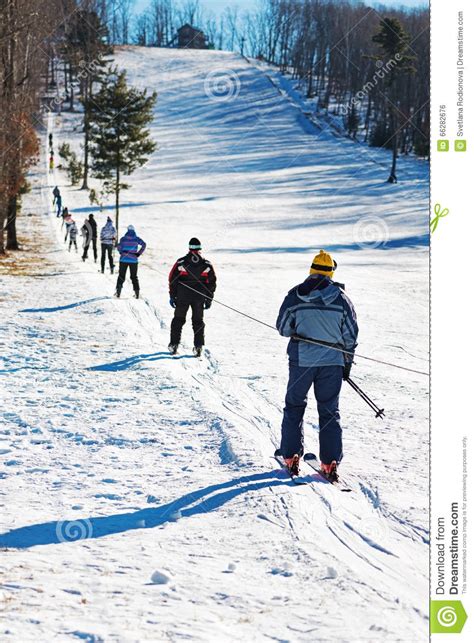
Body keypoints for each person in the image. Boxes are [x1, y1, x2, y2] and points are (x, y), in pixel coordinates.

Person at [276, 250, 358, 481]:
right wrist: (346, 363)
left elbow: (283, 328)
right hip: (332, 364)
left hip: (302, 361)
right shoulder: (342, 299)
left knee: (294, 405)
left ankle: (291, 456)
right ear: (331, 272)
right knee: (329, 410)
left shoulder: (294, 295)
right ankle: (330, 462)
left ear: (312, 269)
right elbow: (351, 335)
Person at [168, 237, 217, 357]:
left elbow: (172, 279)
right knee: (198, 321)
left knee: (178, 320)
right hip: (199, 297)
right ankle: (198, 346)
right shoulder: (207, 264)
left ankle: (174, 344)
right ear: (200, 248)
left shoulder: (181, 262)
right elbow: (212, 282)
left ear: (189, 248)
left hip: (182, 296)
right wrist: (209, 298)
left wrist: (172, 295)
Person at [115, 225, 146, 299]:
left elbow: (119, 247)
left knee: (121, 276)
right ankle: (137, 293)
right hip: (133, 260)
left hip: (123, 260)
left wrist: (121, 253)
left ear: (127, 230)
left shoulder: (123, 239)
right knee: (134, 277)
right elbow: (144, 244)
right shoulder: (136, 239)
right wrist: (138, 253)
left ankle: (118, 292)